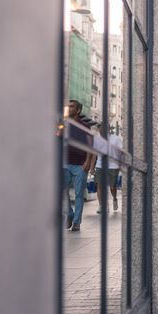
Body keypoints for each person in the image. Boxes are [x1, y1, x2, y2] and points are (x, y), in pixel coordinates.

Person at [63, 99, 93, 232]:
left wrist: (87, 162)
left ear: (78, 110)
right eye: (68, 106)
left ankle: (76, 222)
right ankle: (69, 214)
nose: (69, 108)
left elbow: (90, 146)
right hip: (65, 163)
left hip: (80, 165)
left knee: (79, 194)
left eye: (72, 107)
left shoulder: (85, 127)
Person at [92, 124, 123, 213]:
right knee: (99, 185)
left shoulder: (116, 139)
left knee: (112, 187)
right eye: (100, 129)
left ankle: (114, 198)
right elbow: (94, 153)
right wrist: (92, 167)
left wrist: (120, 164)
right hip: (100, 165)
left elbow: (121, 152)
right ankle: (102, 206)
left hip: (113, 166)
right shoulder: (97, 139)